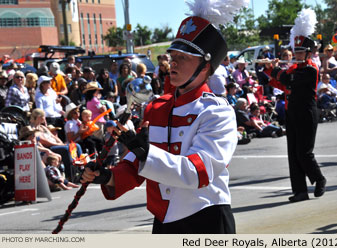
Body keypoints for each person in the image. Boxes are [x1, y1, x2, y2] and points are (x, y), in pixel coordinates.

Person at [81, 1, 240, 234]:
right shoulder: (157, 107)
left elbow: (198, 172)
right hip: (163, 222)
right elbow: (137, 165)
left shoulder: (217, 112)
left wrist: (145, 152)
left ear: (205, 66)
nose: (173, 62)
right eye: (172, 55)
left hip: (207, 219)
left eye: (183, 57)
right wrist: (107, 176)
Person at [270, 9, 326, 203]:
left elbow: (287, 79)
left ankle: (319, 179)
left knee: (304, 152)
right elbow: (280, 83)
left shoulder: (311, 69)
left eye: (301, 51)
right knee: (293, 154)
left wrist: (277, 71)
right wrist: (270, 70)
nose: (298, 54)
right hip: (292, 112)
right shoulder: (294, 67)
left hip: (306, 112)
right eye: (297, 51)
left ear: (308, 53)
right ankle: (300, 191)